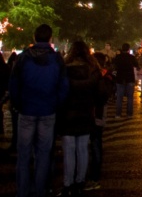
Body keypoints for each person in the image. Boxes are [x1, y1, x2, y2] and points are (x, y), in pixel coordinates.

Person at [9, 24, 69, 197]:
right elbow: (63, 86)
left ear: (34, 38)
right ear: (50, 39)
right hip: (48, 111)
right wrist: (56, 103)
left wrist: (17, 103)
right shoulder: (56, 59)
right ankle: (40, 190)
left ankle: (23, 191)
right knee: (44, 154)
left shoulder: (23, 58)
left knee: (24, 154)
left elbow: (14, 83)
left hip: (26, 110)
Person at [57, 41, 100, 196]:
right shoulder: (93, 70)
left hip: (68, 114)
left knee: (69, 150)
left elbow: (60, 92)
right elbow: (98, 93)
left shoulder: (64, 70)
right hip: (86, 112)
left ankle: (68, 184)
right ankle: (80, 182)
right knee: (82, 149)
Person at [85, 52, 113, 191]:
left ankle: (93, 176)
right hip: (98, 114)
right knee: (95, 143)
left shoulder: (98, 76)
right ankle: (92, 175)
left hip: (94, 114)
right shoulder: (105, 75)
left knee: (93, 144)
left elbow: (102, 95)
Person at [112, 43, 139, 117]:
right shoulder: (131, 57)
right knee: (130, 97)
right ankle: (129, 114)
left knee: (119, 97)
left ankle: (118, 114)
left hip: (120, 78)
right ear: (128, 49)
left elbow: (113, 66)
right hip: (130, 78)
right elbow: (136, 65)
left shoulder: (118, 57)